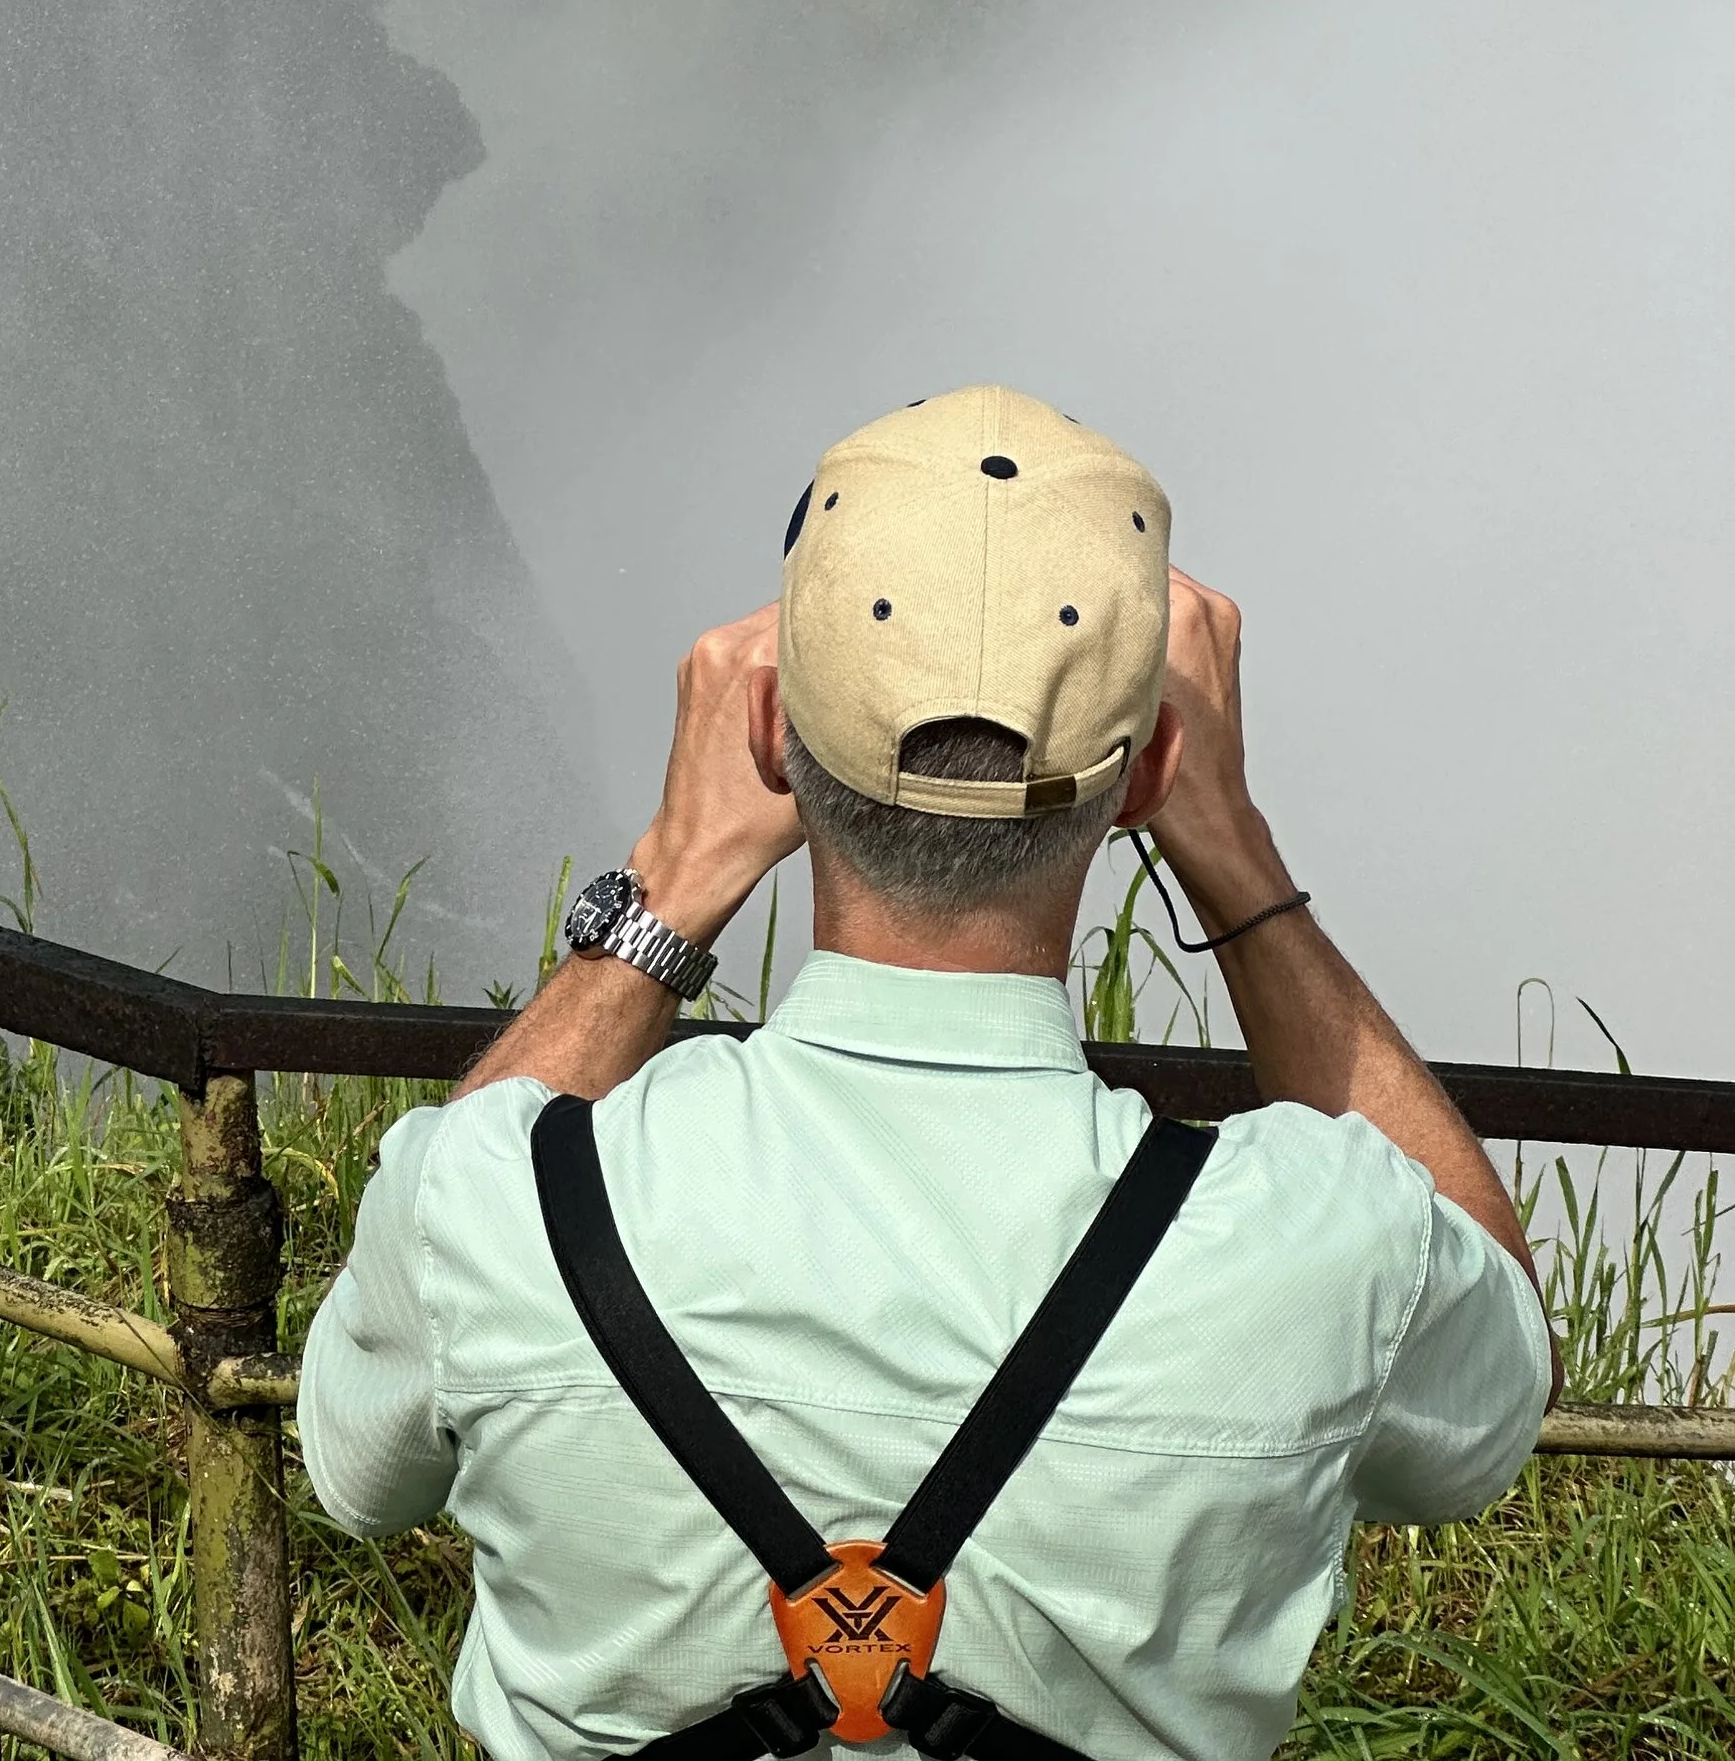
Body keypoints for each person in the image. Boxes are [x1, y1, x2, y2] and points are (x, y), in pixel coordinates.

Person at [298, 387, 1555, 1761]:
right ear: (1147, 781)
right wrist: (1239, 860)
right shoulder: (1324, 1244)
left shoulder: (494, 1201)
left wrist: (672, 878)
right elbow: (1501, 1372)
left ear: (770, 733)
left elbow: (359, 1464)